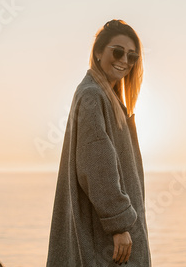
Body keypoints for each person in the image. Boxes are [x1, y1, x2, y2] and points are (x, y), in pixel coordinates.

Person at [46, 19, 151, 266]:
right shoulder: (93, 95)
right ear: (98, 52)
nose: (124, 60)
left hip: (104, 233)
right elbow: (96, 164)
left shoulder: (106, 97)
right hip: (106, 238)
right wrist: (119, 224)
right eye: (117, 51)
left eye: (132, 56)